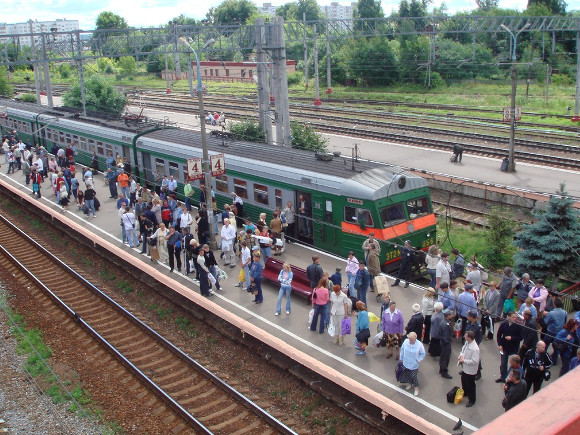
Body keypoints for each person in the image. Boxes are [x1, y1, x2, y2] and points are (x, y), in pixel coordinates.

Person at [496, 311, 522, 383]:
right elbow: (499, 335)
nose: (515, 319)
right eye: (513, 317)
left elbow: (520, 337)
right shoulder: (503, 324)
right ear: (509, 317)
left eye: (515, 317)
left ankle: (513, 378)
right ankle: (503, 377)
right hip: (504, 347)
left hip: (514, 348)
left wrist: (512, 338)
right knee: (503, 363)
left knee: (514, 364)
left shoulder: (518, 326)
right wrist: (500, 345)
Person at [398, 332, 426, 396]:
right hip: (406, 362)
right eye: (410, 339)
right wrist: (401, 357)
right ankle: (410, 384)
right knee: (407, 374)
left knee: (414, 376)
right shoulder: (406, 341)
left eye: (412, 340)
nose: (410, 341)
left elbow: (423, 353)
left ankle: (416, 388)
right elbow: (402, 349)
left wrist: (418, 360)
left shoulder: (419, 344)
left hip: (414, 364)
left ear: (415, 338)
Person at [458, 331, 480, 408]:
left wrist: (464, 361)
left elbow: (474, 361)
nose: (464, 336)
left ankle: (472, 399)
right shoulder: (467, 343)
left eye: (466, 336)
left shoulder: (475, 349)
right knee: (464, 380)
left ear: (469, 338)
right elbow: (463, 349)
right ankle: (465, 392)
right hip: (465, 368)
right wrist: (461, 355)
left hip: (470, 370)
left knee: (470, 384)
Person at [543, 297, 567, 365]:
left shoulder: (551, 313)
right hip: (559, 332)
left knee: (545, 346)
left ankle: (544, 359)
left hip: (550, 332)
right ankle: (554, 361)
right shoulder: (564, 312)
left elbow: (545, 322)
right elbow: (564, 322)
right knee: (556, 348)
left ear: (554, 305)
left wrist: (545, 315)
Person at [439, 308, 455, 379]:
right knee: (446, 358)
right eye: (450, 314)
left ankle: (441, 369)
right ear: (447, 316)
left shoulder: (443, 321)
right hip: (446, 343)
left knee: (442, 357)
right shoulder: (446, 324)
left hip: (442, 342)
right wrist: (448, 342)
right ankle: (444, 372)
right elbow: (445, 336)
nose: (451, 315)